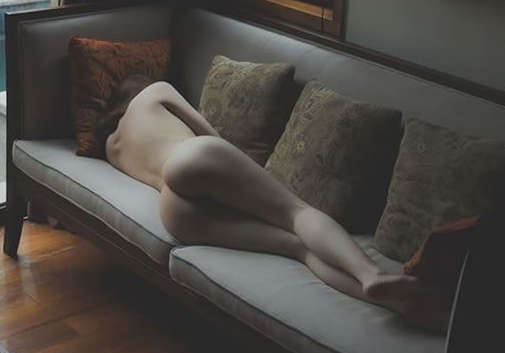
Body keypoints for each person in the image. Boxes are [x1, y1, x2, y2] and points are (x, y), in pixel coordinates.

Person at [97, 75, 448, 329]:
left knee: (296, 248)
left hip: (173, 212)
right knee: (297, 214)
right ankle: (370, 274)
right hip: (189, 157)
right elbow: (209, 134)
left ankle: (399, 306)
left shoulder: (112, 148)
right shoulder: (156, 90)